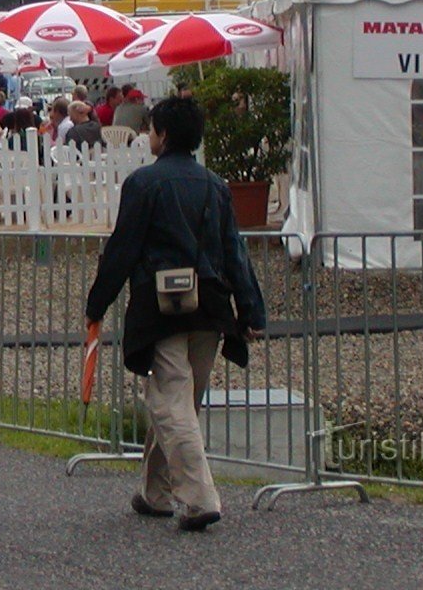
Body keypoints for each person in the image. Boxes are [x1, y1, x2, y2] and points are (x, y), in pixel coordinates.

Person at [83, 97, 266, 532]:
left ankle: (200, 497)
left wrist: (97, 303)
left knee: (169, 400)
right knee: (183, 401)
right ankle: (154, 492)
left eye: (151, 129)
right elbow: (233, 251)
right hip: (211, 304)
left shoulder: (144, 183)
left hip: (161, 304)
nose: (148, 135)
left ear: (162, 135)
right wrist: (251, 308)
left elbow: (123, 248)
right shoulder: (215, 185)